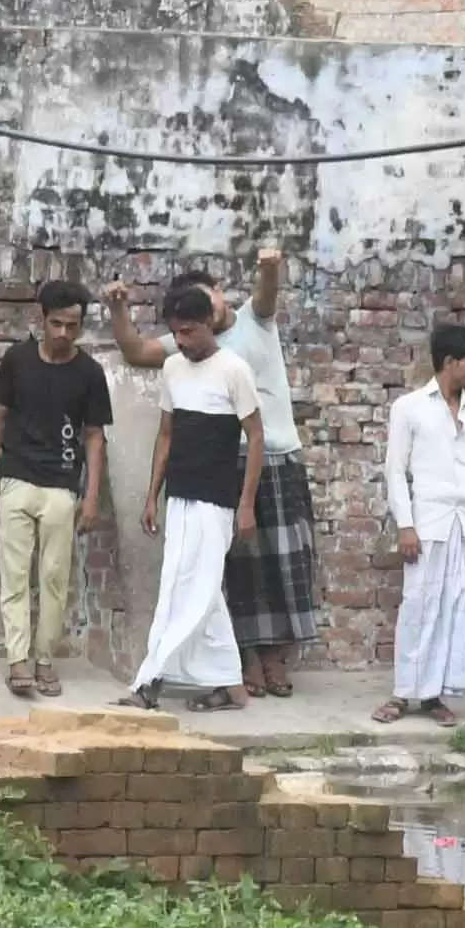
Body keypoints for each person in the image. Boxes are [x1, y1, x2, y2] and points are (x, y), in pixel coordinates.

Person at [111, 253, 317, 695]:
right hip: (218, 466)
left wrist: (268, 265)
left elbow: (266, 292)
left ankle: (274, 659)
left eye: (209, 302)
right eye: (179, 330)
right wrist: (118, 309)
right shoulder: (181, 350)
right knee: (235, 571)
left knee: (282, 562)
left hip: (276, 457)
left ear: (218, 299)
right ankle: (240, 666)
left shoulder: (253, 322)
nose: (185, 335)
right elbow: (136, 353)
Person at [127, 278, 259, 710]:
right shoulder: (171, 369)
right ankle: (231, 685)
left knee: (191, 591)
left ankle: (150, 680)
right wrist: (152, 495)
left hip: (217, 497)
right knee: (190, 587)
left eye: (190, 331)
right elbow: (166, 435)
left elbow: (255, 438)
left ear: (209, 324)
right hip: (180, 493)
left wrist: (245, 504)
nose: (182, 341)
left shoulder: (235, 369)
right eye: (176, 333)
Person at [0, 276, 110, 700]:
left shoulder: (89, 372)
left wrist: (91, 496)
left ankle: (45, 661)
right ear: (42, 318)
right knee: (14, 576)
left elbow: (94, 436)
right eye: (56, 324)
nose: (63, 333)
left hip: (61, 486)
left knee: (55, 578)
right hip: (16, 477)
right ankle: (17, 662)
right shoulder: (17, 360)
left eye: (72, 326)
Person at [375, 322, 465, 726]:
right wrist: (405, 525)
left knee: (454, 609)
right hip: (427, 522)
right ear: (450, 363)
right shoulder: (409, 408)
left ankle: (434, 696)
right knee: (418, 606)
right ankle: (402, 694)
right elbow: (396, 472)